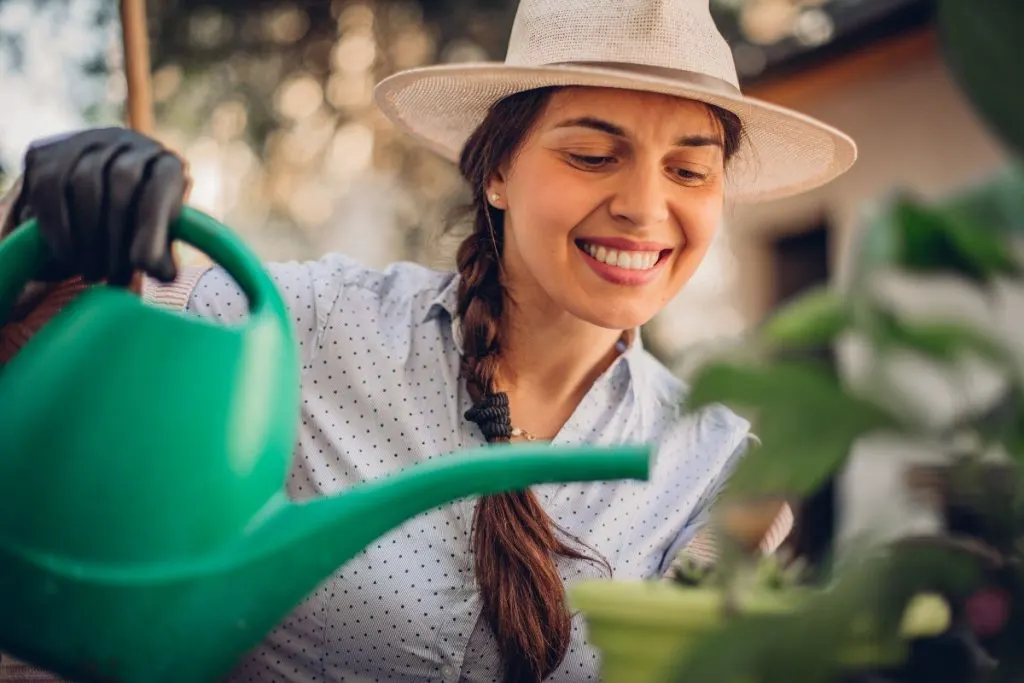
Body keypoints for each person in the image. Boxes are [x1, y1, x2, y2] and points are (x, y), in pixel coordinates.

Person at [0, 0, 852, 681]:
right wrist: (67, 231)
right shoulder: (308, 326)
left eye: (690, 170)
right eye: (593, 154)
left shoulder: (720, 476)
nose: (644, 205)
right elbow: (63, 343)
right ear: (496, 170)